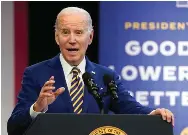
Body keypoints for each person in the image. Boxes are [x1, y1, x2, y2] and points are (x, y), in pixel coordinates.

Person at [7, 7, 174, 135]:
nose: (72, 39)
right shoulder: (36, 74)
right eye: (65, 32)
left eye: (78, 32)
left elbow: (130, 107)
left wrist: (152, 113)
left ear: (90, 37)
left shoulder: (106, 77)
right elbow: (13, 127)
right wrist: (37, 107)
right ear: (56, 37)